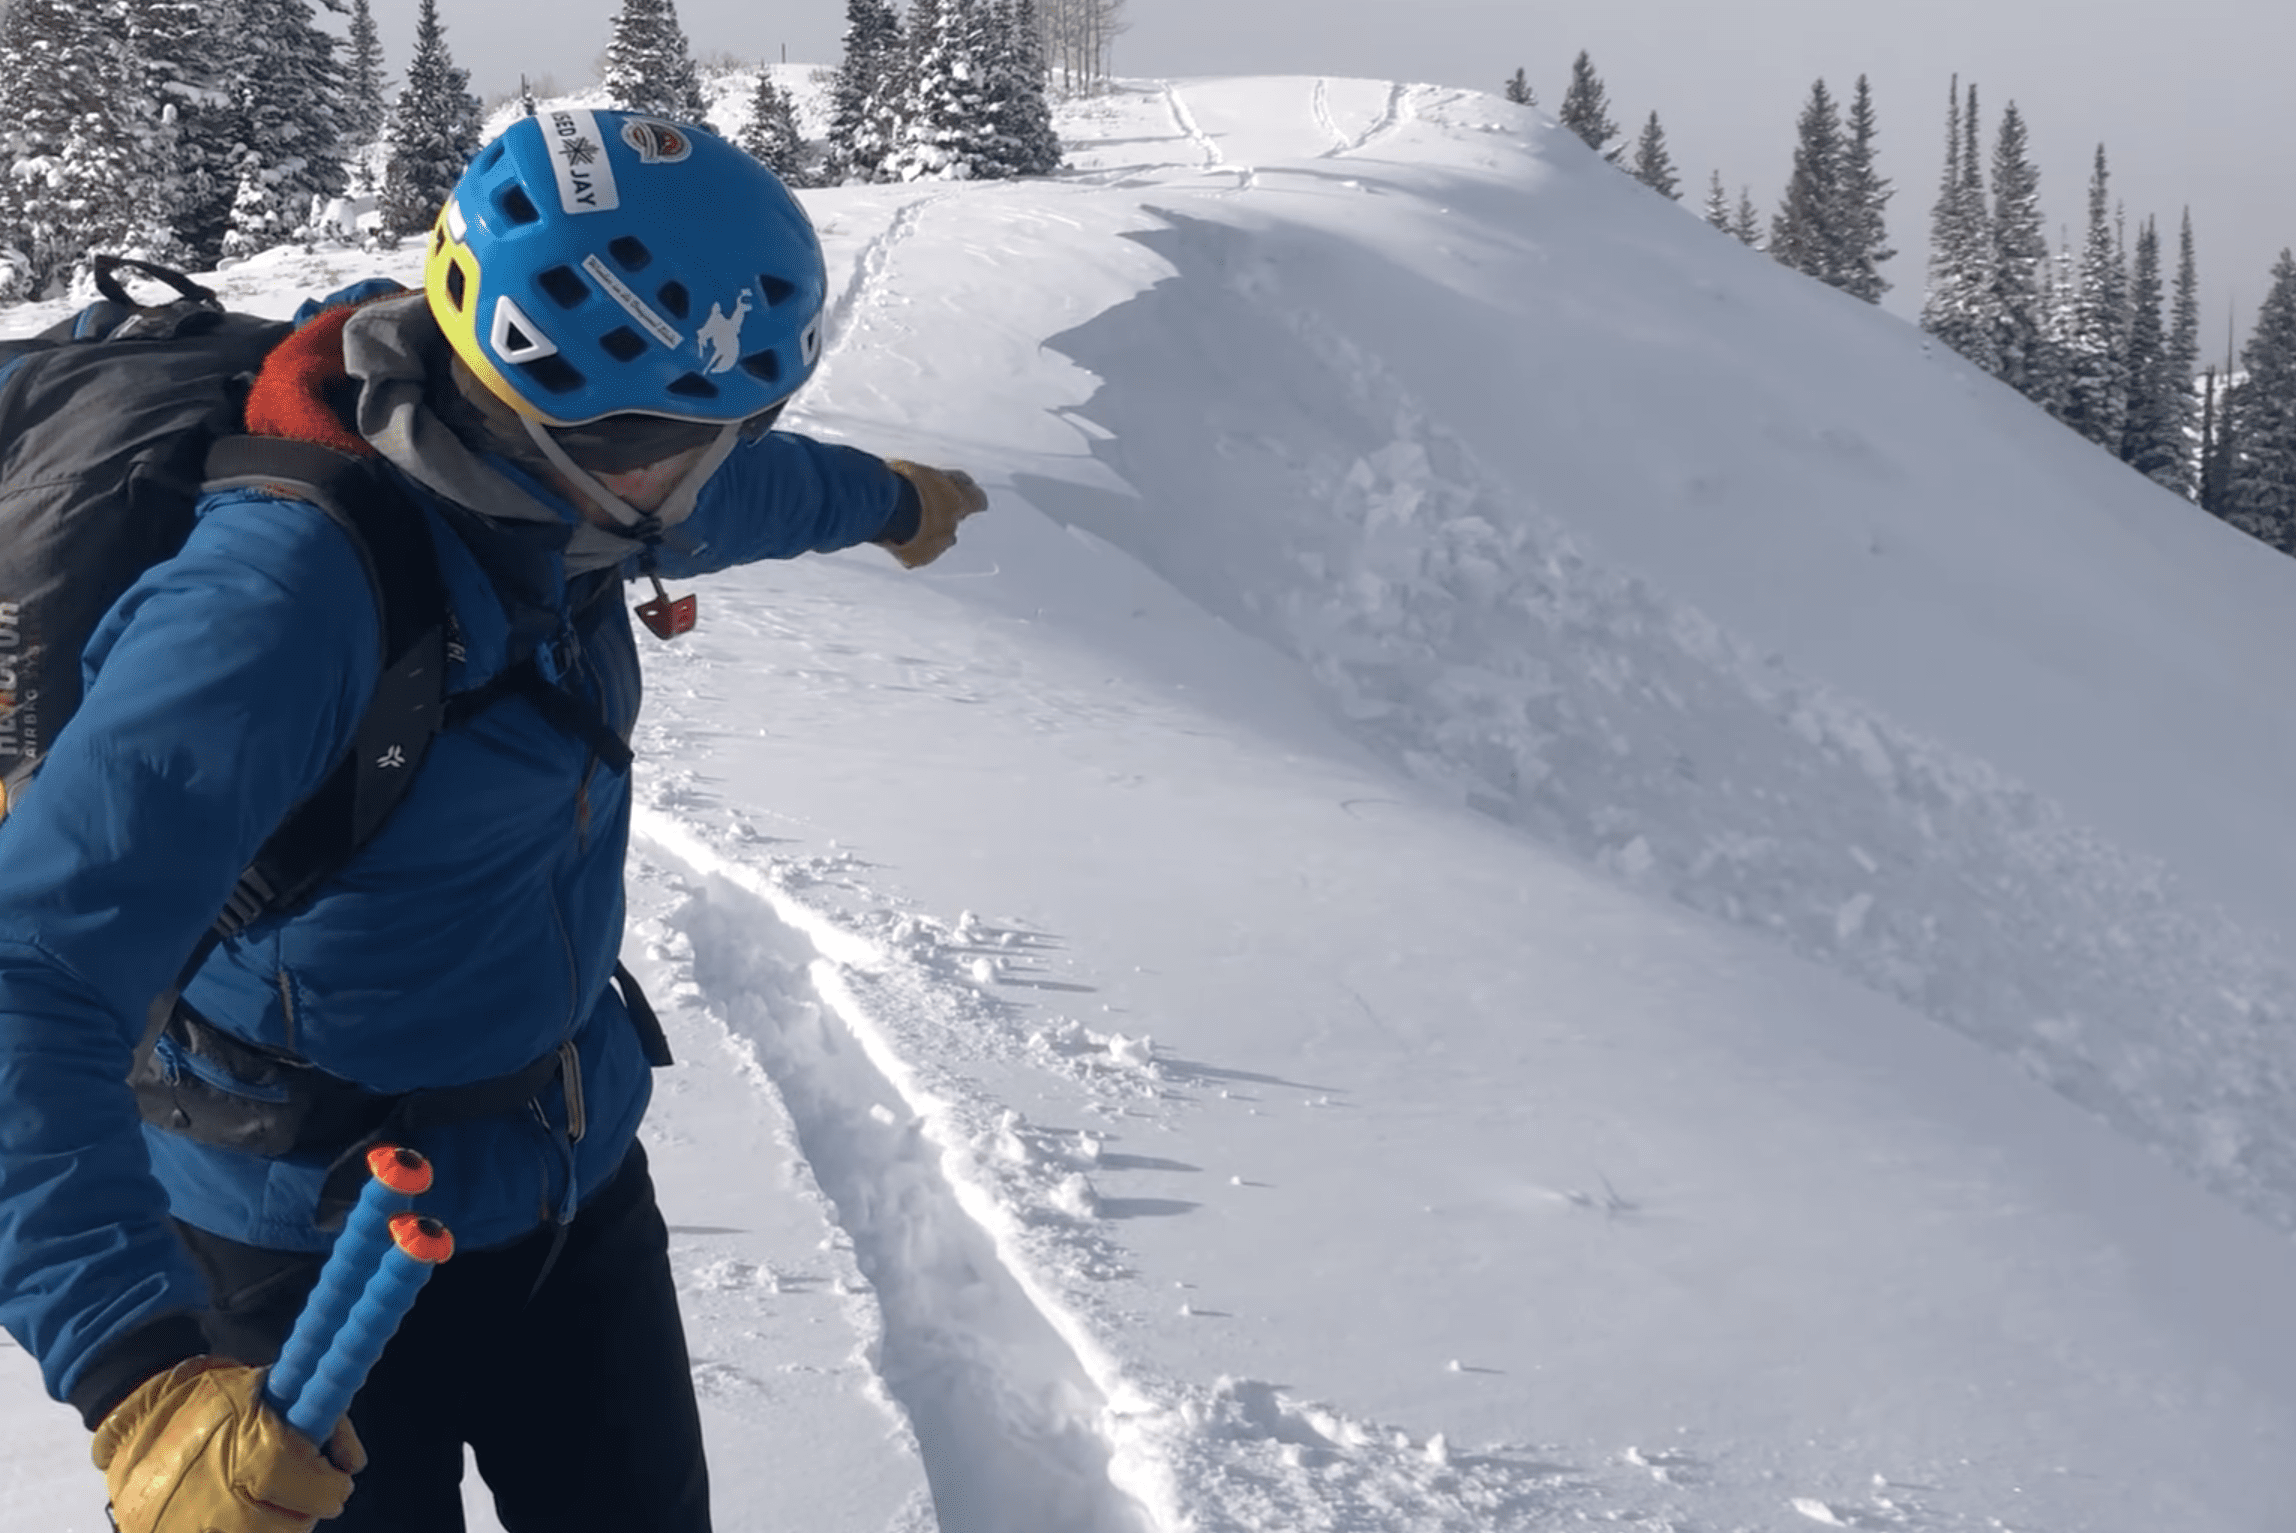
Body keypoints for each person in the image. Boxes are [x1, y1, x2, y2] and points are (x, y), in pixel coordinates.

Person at [0, 109, 984, 1532]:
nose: (691, 474)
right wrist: (136, 1374)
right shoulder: (279, 608)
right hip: (304, 1263)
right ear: (521, 390)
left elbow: (730, 489)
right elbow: (29, 973)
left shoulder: (586, 477)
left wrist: (891, 500)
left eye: (719, 430)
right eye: (659, 441)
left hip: (564, 1179)